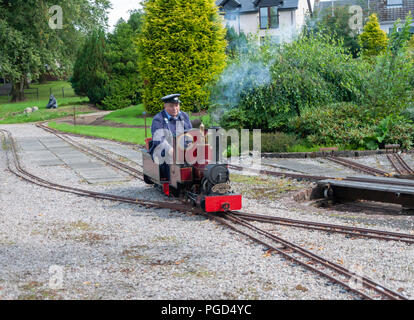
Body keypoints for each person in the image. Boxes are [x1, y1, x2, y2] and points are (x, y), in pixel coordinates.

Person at [149, 94, 192, 180]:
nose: (175, 108)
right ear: (165, 106)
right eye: (171, 106)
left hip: (182, 149)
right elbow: (158, 140)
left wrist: (190, 144)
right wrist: (170, 149)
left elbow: (189, 133)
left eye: (177, 105)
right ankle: (172, 181)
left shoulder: (183, 116)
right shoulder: (159, 119)